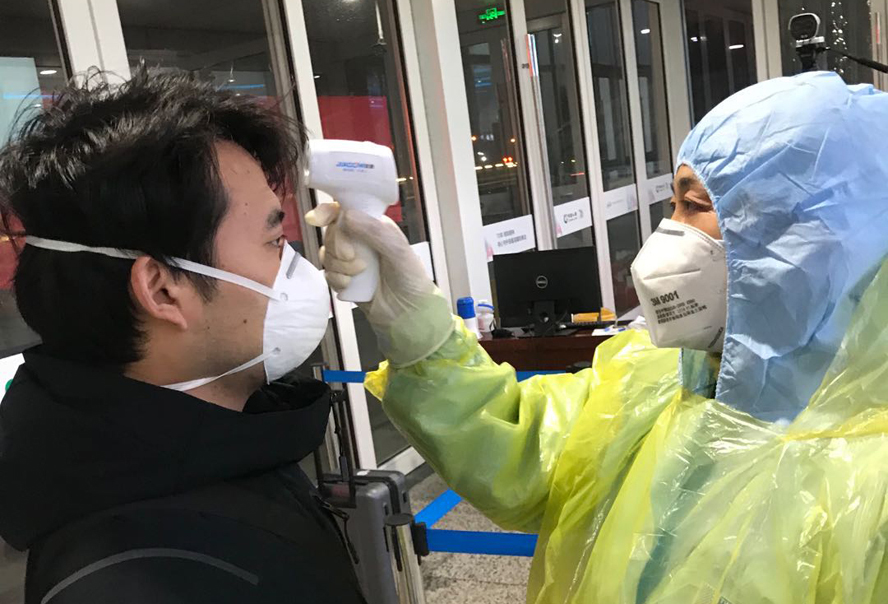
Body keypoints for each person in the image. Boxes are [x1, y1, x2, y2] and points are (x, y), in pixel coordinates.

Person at [309, 70, 888, 603]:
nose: (669, 234)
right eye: (672, 204)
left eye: (694, 206)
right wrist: (418, 329)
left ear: (815, 238)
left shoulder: (870, 487)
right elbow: (522, 450)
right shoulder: (655, 377)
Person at [0, 70, 366, 603]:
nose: (297, 266)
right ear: (164, 290)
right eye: (273, 241)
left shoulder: (217, 444)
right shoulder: (133, 579)